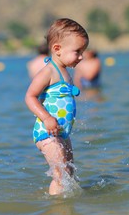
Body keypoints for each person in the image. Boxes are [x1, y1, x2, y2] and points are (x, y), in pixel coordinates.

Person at [25, 18, 89, 195]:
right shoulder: (49, 71)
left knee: (70, 173)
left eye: (83, 51)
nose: (81, 56)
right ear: (57, 49)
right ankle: (58, 212)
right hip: (47, 132)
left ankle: (71, 205)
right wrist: (46, 118)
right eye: (77, 51)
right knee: (60, 175)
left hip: (61, 132)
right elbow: (30, 96)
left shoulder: (65, 71)